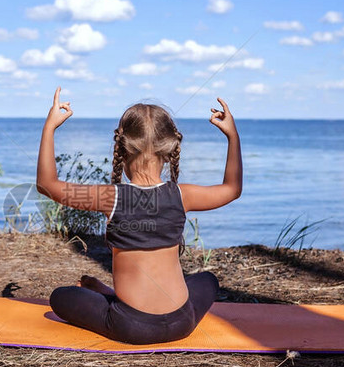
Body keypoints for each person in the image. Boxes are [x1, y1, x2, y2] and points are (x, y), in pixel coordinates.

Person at [36, 87, 243, 345]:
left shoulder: (111, 197)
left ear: (122, 150)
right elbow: (232, 189)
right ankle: (110, 295)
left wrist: (50, 127)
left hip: (132, 326)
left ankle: (110, 297)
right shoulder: (182, 195)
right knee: (208, 280)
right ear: (168, 153)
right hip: (182, 321)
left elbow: (46, 184)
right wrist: (232, 136)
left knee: (60, 298)